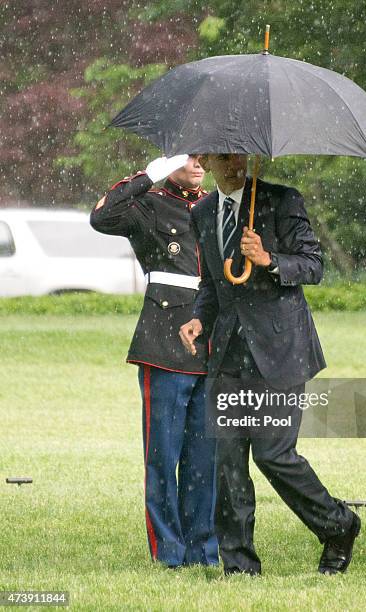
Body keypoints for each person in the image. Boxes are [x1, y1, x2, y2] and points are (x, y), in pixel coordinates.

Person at [180, 153, 360, 576]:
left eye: (238, 154)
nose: (232, 164)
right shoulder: (204, 212)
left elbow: (313, 266)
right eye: (222, 156)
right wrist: (197, 319)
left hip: (281, 351)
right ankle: (239, 566)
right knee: (226, 461)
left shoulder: (283, 201)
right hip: (227, 355)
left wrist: (269, 259)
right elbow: (212, 284)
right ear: (204, 160)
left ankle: (339, 525)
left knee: (274, 454)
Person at [90, 154, 218, 568]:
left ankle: (204, 549)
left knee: (204, 458)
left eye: (203, 158)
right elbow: (103, 217)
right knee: (163, 454)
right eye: (189, 157)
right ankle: (169, 551)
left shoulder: (218, 205)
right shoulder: (151, 202)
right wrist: (150, 174)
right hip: (164, 341)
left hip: (214, 342)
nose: (198, 165)